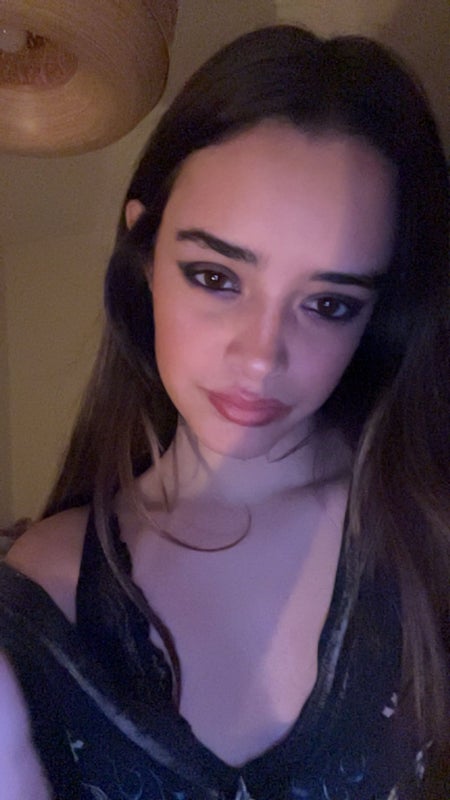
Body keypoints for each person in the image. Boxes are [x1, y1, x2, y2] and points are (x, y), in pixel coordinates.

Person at [0, 23, 448, 800]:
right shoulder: (44, 589)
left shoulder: (429, 540)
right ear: (145, 255)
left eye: (329, 303)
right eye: (215, 277)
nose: (261, 356)